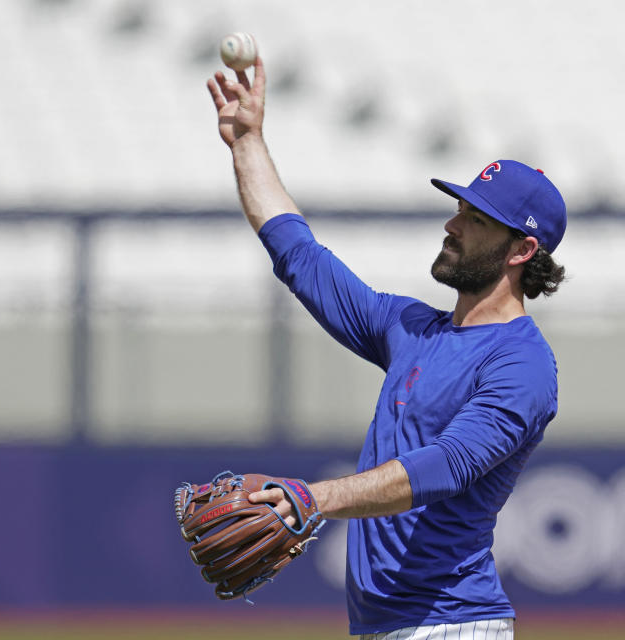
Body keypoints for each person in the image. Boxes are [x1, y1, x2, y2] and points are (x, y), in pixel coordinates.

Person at [206, 57, 566, 640]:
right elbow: (299, 256)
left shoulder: (521, 363)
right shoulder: (411, 328)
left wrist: (313, 498)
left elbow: (445, 467)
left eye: (476, 219)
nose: (453, 225)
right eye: (459, 208)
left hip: (448, 624)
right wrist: (247, 141)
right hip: (387, 628)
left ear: (522, 251)